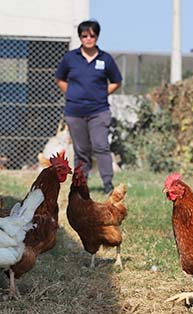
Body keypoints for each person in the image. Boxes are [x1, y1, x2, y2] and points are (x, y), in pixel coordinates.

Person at [55, 20, 122, 194]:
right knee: (81, 150)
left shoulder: (105, 59)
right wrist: (71, 94)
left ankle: (108, 184)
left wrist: (101, 94)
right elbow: (60, 79)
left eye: (92, 35)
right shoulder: (70, 58)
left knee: (101, 146)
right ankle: (80, 185)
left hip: (99, 111)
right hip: (75, 112)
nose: (88, 38)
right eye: (84, 35)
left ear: (97, 36)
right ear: (80, 37)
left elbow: (116, 81)